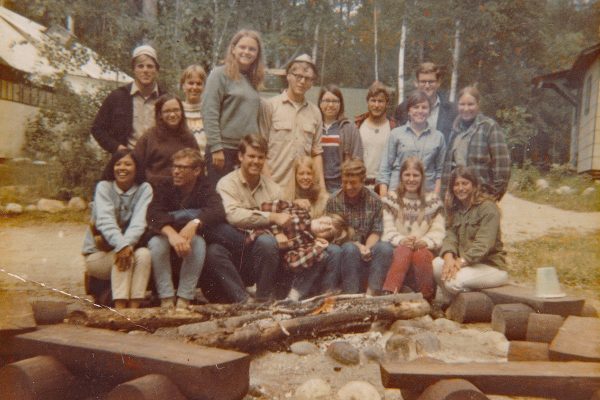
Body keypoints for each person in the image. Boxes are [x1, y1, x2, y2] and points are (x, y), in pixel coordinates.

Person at [146, 148, 225, 309]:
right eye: (174, 167)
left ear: (196, 170)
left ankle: (184, 298)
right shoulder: (165, 185)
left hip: (191, 236)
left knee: (198, 243)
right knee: (156, 244)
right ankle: (166, 298)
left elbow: (217, 210)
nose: (176, 171)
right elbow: (153, 213)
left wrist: (195, 222)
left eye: (182, 168)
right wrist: (172, 234)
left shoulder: (205, 186)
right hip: (166, 234)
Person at [210, 134, 286, 302]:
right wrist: (271, 216)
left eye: (261, 157)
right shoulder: (226, 183)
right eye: (251, 156)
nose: (256, 161)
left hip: (263, 254)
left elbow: (283, 220)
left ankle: (263, 298)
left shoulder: (274, 189)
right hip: (236, 248)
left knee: (267, 242)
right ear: (240, 156)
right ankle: (243, 300)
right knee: (214, 251)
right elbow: (233, 216)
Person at [81, 149, 152, 309]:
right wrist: (123, 246)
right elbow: (105, 221)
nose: (122, 168)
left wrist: (125, 247)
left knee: (145, 254)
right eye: (118, 164)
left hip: (129, 250)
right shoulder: (104, 187)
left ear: (137, 168)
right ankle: (120, 310)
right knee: (126, 257)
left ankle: (134, 311)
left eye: (128, 164)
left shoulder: (144, 189)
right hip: (98, 255)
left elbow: (139, 222)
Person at [433, 166, 509, 302]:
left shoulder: (488, 208)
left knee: (452, 282)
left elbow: (483, 244)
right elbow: (450, 236)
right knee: (437, 264)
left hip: (490, 266)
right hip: (468, 265)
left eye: (465, 183)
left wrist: (459, 262)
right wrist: (449, 258)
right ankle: (449, 304)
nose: (460, 188)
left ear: (474, 185)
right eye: (456, 184)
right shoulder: (456, 209)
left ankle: (471, 301)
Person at [203, 30, 265, 186]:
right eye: (242, 47)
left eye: (252, 49)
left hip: (247, 152)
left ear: (257, 54)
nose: (247, 52)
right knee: (220, 201)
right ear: (233, 49)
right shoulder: (219, 75)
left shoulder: (253, 80)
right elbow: (209, 112)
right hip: (223, 151)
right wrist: (216, 148)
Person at [324, 159, 393, 295]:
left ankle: (371, 294)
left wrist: (367, 248)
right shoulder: (334, 201)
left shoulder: (374, 200)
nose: (348, 187)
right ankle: (352, 295)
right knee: (350, 249)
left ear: (362, 181)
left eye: (353, 183)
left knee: (385, 248)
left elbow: (376, 229)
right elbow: (335, 234)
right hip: (345, 248)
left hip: (368, 247)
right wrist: (357, 246)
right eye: (345, 182)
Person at [381, 157, 445, 301]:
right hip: (397, 248)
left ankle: (427, 298)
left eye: (415, 175)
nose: (411, 179)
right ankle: (389, 295)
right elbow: (387, 228)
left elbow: (438, 231)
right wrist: (402, 240)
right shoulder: (391, 199)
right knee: (404, 250)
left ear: (422, 177)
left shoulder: (433, 200)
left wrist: (425, 241)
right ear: (401, 176)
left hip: (423, 248)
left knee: (420, 254)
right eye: (407, 175)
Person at [259, 54, 324, 189]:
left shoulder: (315, 112)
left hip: (302, 189)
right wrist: (268, 184)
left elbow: (316, 153)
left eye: (307, 78)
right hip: (274, 185)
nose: (301, 81)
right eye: (297, 76)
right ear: (288, 76)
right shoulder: (269, 106)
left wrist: (321, 188)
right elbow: (260, 148)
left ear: (312, 83)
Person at [440, 86, 511, 200]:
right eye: (462, 104)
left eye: (470, 104)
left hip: (480, 197)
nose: (466, 108)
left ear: (478, 104)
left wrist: (492, 197)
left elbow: (502, 166)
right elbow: (448, 167)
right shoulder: (455, 129)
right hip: (456, 197)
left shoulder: (489, 127)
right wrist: (444, 196)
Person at [92, 45, 164, 153]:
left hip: (157, 164)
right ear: (133, 69)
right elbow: (97, 129)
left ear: (156, 70)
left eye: (150, 66)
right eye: (140, 66)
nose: (145, 70)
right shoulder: (118, 97)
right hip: (128, 163)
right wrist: (118, 148)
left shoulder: (165, 99)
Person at [378, 90, 445, 196]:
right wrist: (384, 196)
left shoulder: (438, 137)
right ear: (409, 110)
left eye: (424, 107)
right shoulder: (396, 134)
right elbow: (385, 167)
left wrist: (435, 197)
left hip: (426, 194)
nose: (420, 111)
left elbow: (440, 172)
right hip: (398, 193)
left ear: (430, 111)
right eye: (416, 107)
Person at [133, 94, 199, 187]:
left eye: (176, 110)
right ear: (160, 114)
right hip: (155, 190)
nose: (172, 115)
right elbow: (137, 166)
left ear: (181, 112)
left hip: (182, 191)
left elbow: (198, 167)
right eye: (167, 111)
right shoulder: (149, 137)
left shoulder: (189, 138)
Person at [394, 62, 457, 143]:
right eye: (423, 82)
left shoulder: (451, 110)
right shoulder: (403, 108)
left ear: (438, 82)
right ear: (416, 83)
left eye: (431, 82)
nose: (427, 86)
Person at [318, 84, 363, 193]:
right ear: (320, 103)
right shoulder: (314, 126)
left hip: (342, 186)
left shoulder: (349, 128)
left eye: (335, 101)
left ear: (341, 104)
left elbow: (357, 159)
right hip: (318, 186)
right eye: (326, 100)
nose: (330, 105)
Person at [355, 81, 398, 191]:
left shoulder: (394, 128)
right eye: (373, 100)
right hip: (360, 186)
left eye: (380, 101)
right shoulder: (357, 126)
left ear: (387, 103)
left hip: (384, 187)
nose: (376, 105)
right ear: (367, 102)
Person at [180, 64, 208, 156]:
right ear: (183, 86)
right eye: (191, 83)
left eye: (199, 83)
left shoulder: (210, 111)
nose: (194, 87)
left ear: (204, 87)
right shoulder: (177, 111)